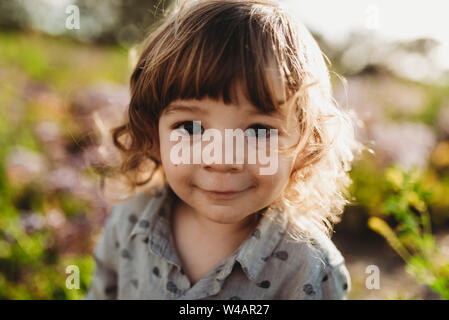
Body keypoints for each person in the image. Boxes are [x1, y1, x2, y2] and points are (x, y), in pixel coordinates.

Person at [85, 0, 361, 300]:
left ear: (306, 146)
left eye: (259, 131)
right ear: (154, 134)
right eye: (190, 128)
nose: (221, 159)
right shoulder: (128, 224)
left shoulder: (309, 267)